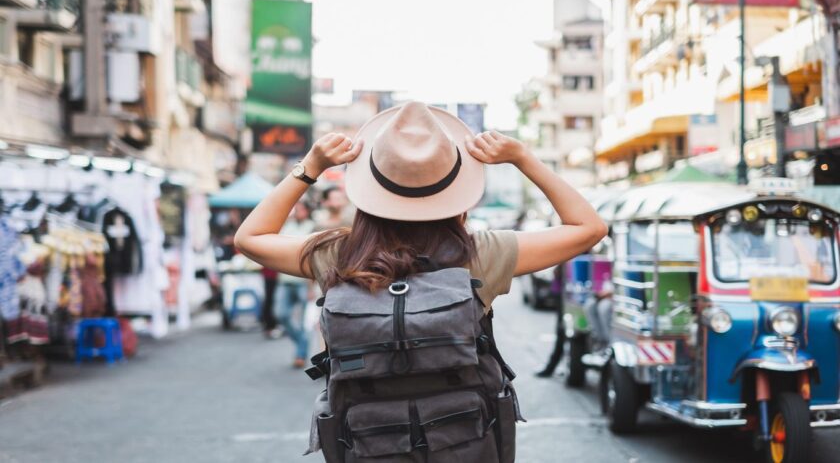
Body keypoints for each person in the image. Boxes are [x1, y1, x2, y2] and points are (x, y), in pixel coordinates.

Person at [234, 102, 606, 460]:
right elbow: (589, 228)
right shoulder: (481, 254)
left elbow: (249, 238)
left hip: (370, 444)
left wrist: (310, 167)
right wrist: (524, 159)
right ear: (455, 187)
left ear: (370, 186)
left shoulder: (338, 255)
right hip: (464, 443)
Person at [275, 201, 315, 366]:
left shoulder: (313, 226)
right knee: (281, 315)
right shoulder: (287, 227)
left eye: (300, 209)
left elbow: (314, 257)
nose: (297, 212)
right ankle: (301, 343)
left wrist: (312, 284)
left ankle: (300, 354)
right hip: (285, 279)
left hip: (304, 281)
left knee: (305, 321)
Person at [535, 264, 566, 378]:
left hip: (568, 291)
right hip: (562, 289)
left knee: (562, 330)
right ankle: (553, 366)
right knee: (562, 330)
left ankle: (551, 366)